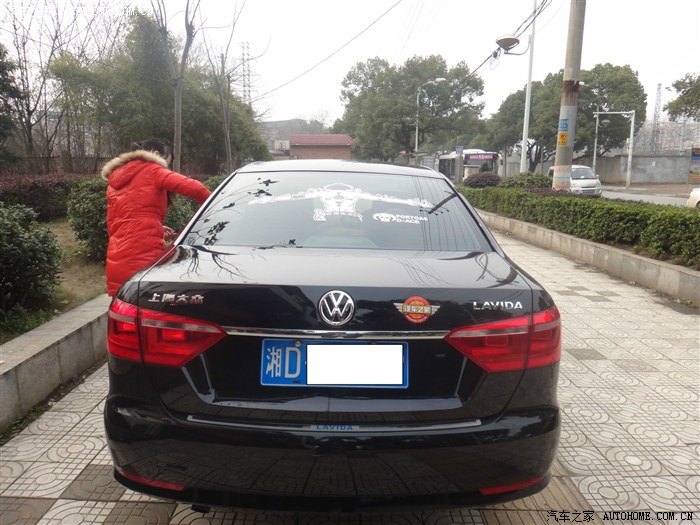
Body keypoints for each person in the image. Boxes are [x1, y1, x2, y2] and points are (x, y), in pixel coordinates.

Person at [101, 138, 212, 296]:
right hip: (143, 261)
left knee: (124, 307)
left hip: (116, 260)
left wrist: (154, 226)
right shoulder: (153, 170)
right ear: (156, 154)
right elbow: (197, 189)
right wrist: (218, 209)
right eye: (167, 162)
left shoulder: (115, 181)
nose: (167, 168)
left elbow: (116, 223)